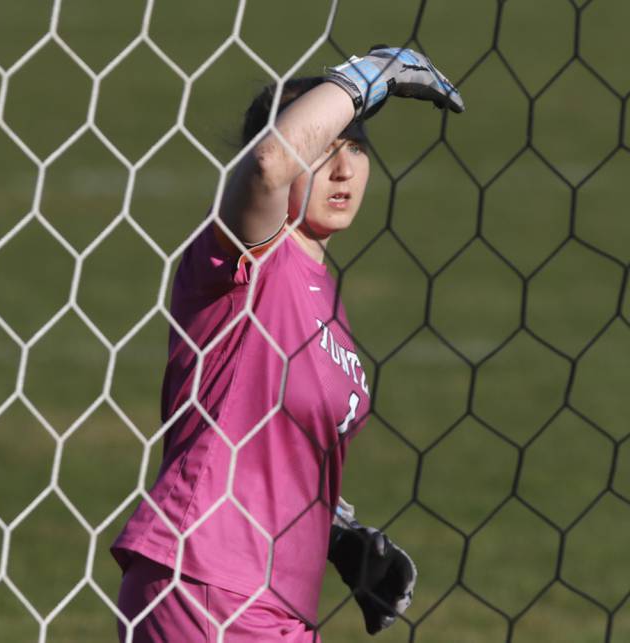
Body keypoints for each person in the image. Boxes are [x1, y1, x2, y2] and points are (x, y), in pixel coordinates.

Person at [111, 46, 464, 642]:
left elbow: (270, 440)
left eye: (356, 148)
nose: (345, 170)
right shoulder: (242, 258)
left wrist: (334, 532)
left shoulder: (324, 296)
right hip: (202, 583)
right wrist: (372, 73)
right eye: (324, 150)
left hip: (273, 601)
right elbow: (272, 162)